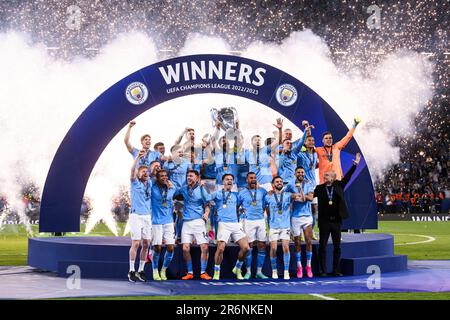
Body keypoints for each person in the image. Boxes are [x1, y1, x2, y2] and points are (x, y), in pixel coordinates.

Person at [314, 153, 361, 277]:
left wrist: (355, 164)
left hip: (336, 221)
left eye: (327, 175)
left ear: (334, 177)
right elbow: (310, 196)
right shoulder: (319, 188)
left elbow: (349, 176)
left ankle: (335, 270)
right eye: (324, 175)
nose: (325, 176)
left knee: (337, 247)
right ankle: (323, 270)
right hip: (324, 221)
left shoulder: (339, 185)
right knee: (322, 246)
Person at [208, 174, 250, 280]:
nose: (229, 181)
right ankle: (216, 272)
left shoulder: (236, 195)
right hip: (223, 224)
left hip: (235, 224)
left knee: (246, 248)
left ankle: (237, 268)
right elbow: (206, 199)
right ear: (223, 182)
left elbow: (245, 199)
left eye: (231, 180)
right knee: (221, 248)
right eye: (227, 179)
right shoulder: (217, 194)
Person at [174, 170, 212, 280]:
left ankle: (203, 272)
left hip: (199, 221)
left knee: (204, 247)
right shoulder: (184, 188)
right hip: (186, 222)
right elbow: (174, 194)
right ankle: (190, 272)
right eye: (187, 176)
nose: (188, 178)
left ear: (197, 177)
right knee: (185, 249)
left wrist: (206, 213)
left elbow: (207, 204)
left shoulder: (202, 188)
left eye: (191, 176)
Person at [238, 172, 269, 279]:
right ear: (247, 179)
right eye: (251, 178)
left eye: (255, 178)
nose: (253, 179)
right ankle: (248, 272)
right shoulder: (242, 193)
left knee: (262, 245)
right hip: (248, 222)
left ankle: (259, 272)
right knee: (249, 246)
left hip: (260, 220)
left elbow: (266, 205)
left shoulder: (262, 191)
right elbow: (237, 206)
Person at [285, 167, 315, 278]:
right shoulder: (290, 185)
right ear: (295, 173)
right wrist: (292, 196)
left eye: (302, 172)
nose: (300, 174)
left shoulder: (309, 184)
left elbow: (311, 198)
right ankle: (299, 267)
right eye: (298, 172)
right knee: (297, 243)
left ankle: (308, 266)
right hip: (295, 217)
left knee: (308, 241)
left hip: (307, 217)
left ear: (304, 173)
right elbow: (283, 195)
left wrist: (302, 196)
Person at [128, 150, 152, 282]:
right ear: (138, 174)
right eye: (143, 171)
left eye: (146, 171)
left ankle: (140, 270)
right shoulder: (134, 182)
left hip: (147, 216)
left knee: (146, 243)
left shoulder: (150, 183)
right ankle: (131, 270)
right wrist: (137, 157)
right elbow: (132, 170)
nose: (145, 173)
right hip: (136, 215)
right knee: (136, 243)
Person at [265, 176, 295, 280]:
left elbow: (299, 195)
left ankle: (286, 271)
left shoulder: (288, 195)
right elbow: (264, 208)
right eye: (277, 181)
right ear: (273, 184)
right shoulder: (268, 196)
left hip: (285, 226)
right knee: (273, 248)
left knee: (285, 248)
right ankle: (274, 271)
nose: (279, 183)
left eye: (281, 181)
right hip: (273, 226)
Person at [316, 118, 361, 184]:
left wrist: (354, 125)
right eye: (326, 138)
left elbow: (347, 137)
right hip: (324, 182)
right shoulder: (318, 150)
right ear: (322, 140)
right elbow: (310, 157)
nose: (329, 139)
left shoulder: (336, 147)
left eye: (330, 138)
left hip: (337, 181)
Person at [150, 169, 176, 281]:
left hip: (169, 221)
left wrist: (171, 185)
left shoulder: (172, 188)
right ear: (157, 178)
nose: (164, 177)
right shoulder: (152, 188)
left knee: (170, 248)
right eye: (161, 176)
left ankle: (163, 270)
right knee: (157, 247)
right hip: (156, 221)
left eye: (165, 175)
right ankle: (155, 270)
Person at [244, 118, 283, 191]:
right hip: (255, 185)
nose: (258, 141)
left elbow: (279, 141)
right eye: (256, 140)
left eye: (259, 140)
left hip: (268, 184)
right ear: (251, 142)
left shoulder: (265, 149)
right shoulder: (247, 153)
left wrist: (280, 130)